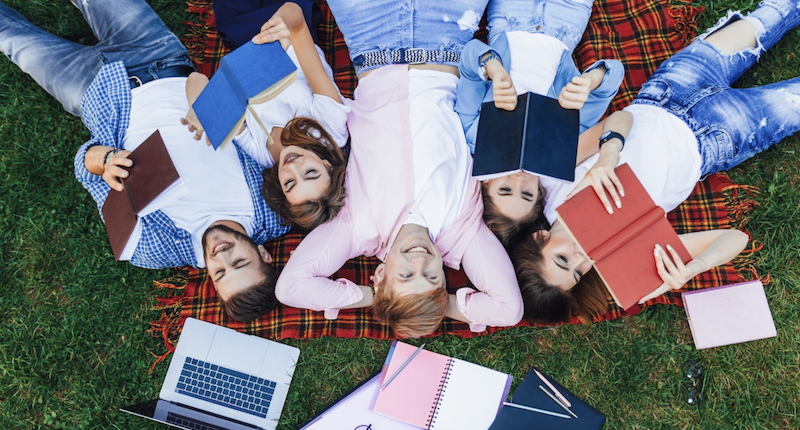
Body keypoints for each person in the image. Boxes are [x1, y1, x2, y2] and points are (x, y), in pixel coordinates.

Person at [509, 0, 800, 323]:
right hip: (720, 136)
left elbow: (619, 119)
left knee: (778, 11)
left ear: (541, 238)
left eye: (563, 259)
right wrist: (694, 267)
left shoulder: (551, 188)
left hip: (671, 89)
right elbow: (735, 238)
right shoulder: (623, 254)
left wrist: (607, 158)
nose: (581, 259)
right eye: (578, 273)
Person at [0, 0, 289, 322]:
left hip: (96, 94)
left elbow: (86, 169)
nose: (222, 257)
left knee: (12, 38)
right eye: (239, 262)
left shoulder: (153, 249)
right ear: (263, 254)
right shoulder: (275, 207)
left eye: (220, 273)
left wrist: (106, 160)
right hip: (159, 57)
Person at [275, 0, 524, 337]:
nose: (420, 262)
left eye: (406, 276)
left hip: (371, 34)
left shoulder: (358, 228)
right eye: (432, 277)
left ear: (380, 275)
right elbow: (509, 309)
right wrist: (437, 306)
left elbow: (290, 287)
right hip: (448, 31)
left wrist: (376, 297)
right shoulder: (461, 233)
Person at [455, 0, 624, 245]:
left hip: (510, 14)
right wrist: (591, 81)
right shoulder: (561, 146)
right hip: (568, 19)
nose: (518, 181)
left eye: (505, 190)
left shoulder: (474, 137)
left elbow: (469, 56)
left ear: (487, 182)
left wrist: (493, 69)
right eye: (526, 194)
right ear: (539, 192)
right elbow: (614, 75)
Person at [181, 2, 351, 230]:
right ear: (328, 166)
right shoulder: (330, 129)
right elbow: (297, 20)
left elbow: (197, 79)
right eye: (310, 172)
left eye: (290, 183)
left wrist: (199, 110)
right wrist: (279, 22)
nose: (293, 167)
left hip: (242, 37)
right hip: (285, 21)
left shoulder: (263, 155)